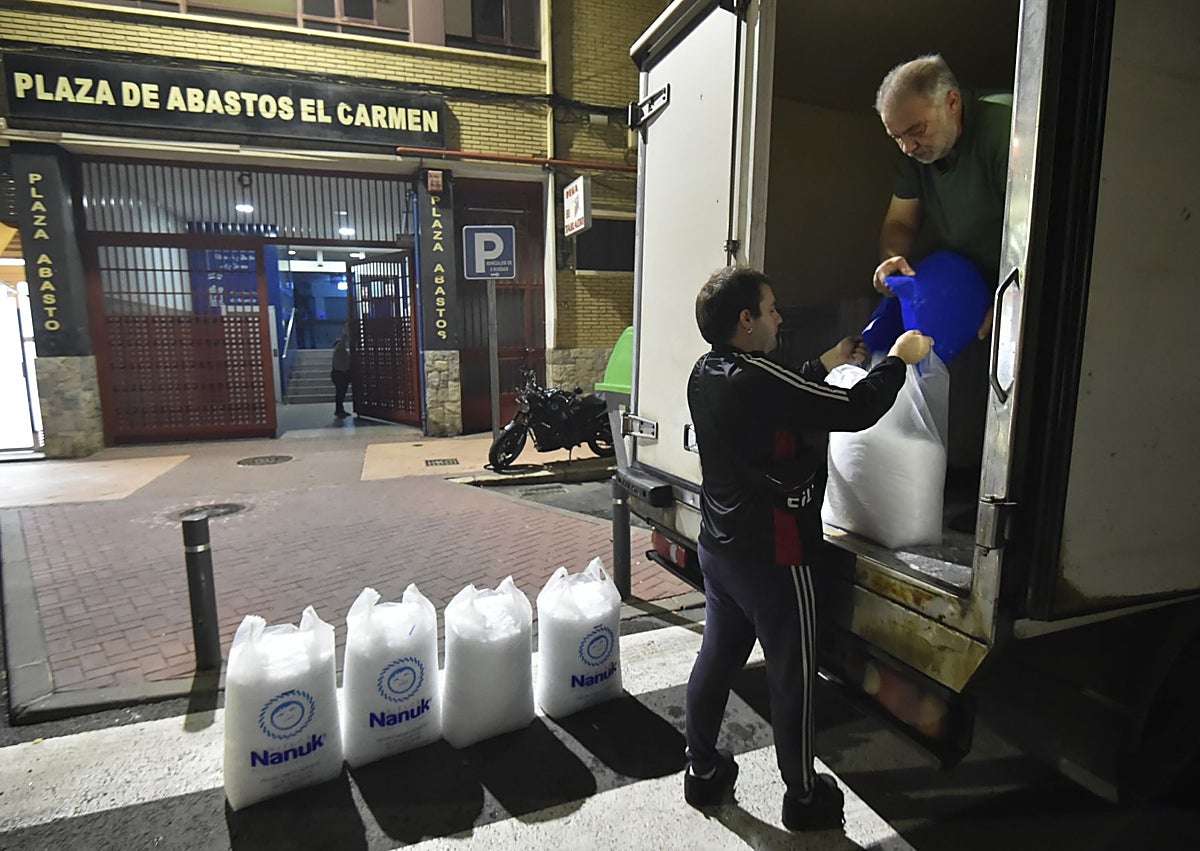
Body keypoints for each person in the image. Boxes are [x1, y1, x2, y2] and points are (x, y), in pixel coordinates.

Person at [684, 266, 933, 831]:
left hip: (719, 549)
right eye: (770, 308)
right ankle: (803, 798)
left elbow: (779, 392)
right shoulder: (756, 380)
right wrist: (898, 358)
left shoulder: (708, 373)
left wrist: (825, 361)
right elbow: (852, 410)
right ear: (745, 321)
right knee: (792, 676)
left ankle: (701, 771)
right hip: (775, 554)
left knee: (717, 658)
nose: (778, 316)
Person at [872, 53, 1012, 492]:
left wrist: (1012, 300)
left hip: (1020, 273)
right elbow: (899, 223)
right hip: (964, 276)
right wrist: (893, 259)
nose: (909, 147)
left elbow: (1045, 226)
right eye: (897, 138)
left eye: (916, 131)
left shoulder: (1007, 130)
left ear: (953, 102)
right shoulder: (915, 154)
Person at [331, 325, 353, 419]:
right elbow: (343, 341)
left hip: (340, 374)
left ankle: (340, 410)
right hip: (340, 374)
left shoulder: (341, 352)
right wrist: (346, 331)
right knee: (340, 393)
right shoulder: (339, 350)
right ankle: (339, 410)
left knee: (341, 393)